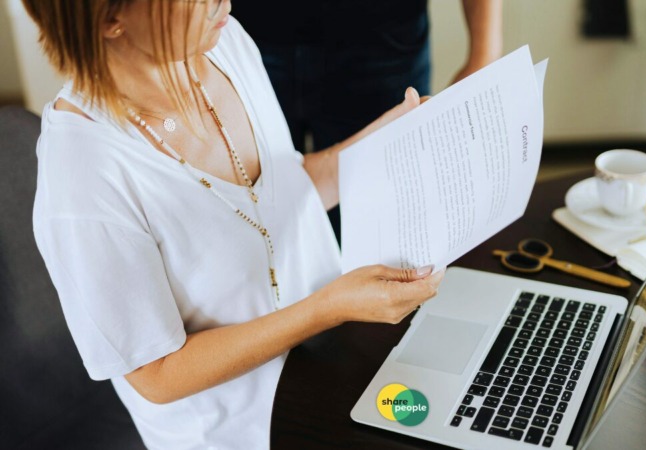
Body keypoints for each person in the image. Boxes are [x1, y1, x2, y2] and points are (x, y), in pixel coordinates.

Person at [24, 1, 444, 448]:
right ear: (110, 19)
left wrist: (390, 140)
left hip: (330, 361)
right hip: (248, 429)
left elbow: (288, 188)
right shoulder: (83, 175)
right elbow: (156, 374)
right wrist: (325, 309)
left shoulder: (226, 43)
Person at [234, 0, 504, 243]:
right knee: (250, 221)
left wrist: (484, 53)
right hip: (243, 34)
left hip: (386, 44)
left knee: (384, 238)